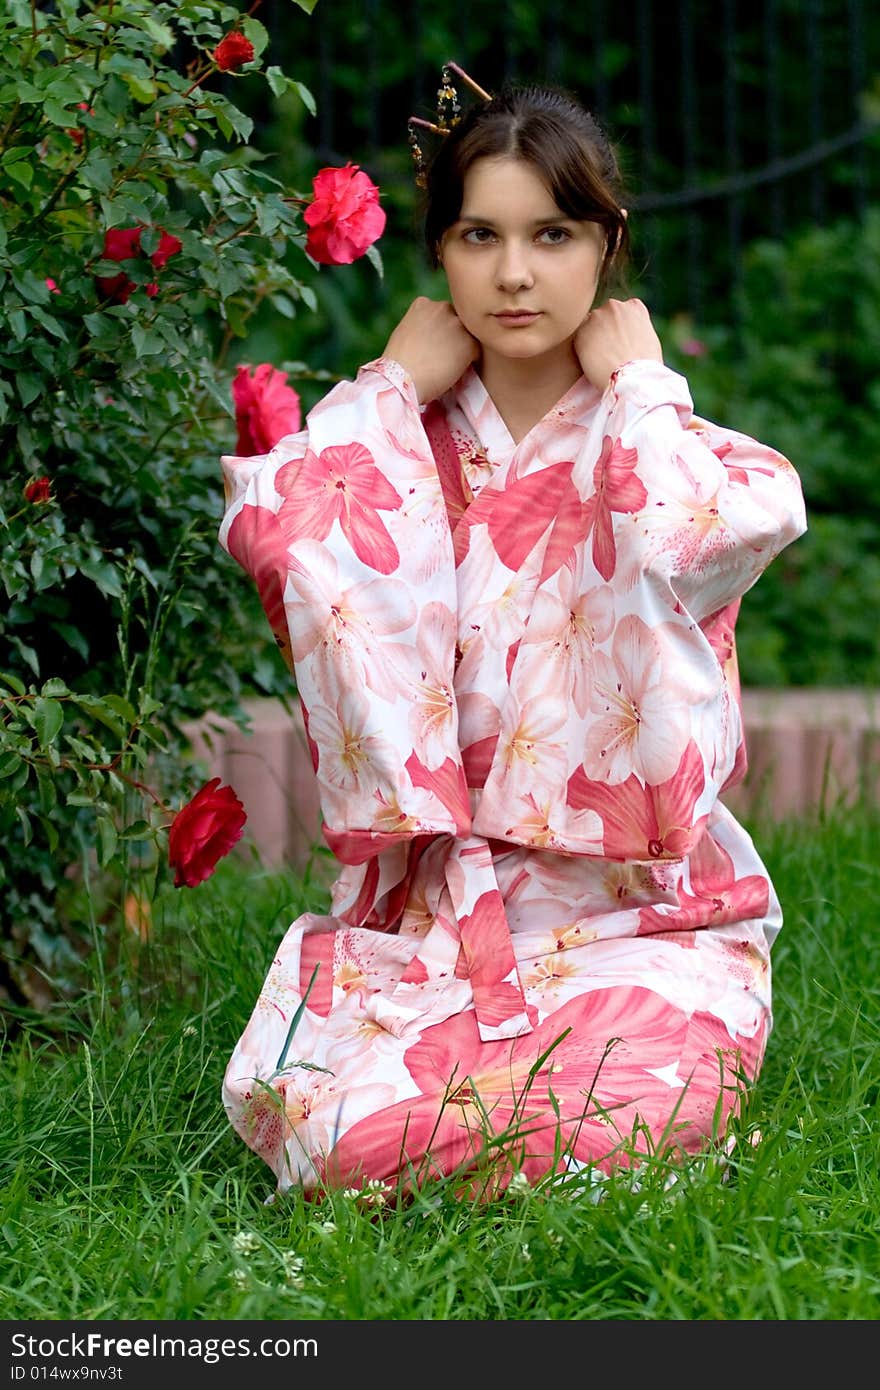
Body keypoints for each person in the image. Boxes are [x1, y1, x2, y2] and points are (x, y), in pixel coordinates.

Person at [217, 72, 807, 1200]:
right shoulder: (394, 435)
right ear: (439, 252)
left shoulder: (663, 435)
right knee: (351, 1141)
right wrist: (388, 386)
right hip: (444, 919)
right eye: (478, 234)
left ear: (606, 244)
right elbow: (279, 534)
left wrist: (640, 387)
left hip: (646, 917)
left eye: (553, 233)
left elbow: (706, 528)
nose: (515, 273)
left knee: (626, 1116)